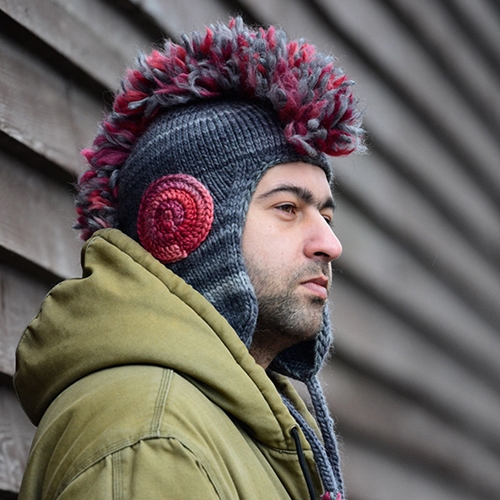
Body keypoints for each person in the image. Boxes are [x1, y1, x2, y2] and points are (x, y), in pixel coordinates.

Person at [14, 17, 364, 500]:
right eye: (288, 208)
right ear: (186, 225)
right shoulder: (152, 441)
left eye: (325, 215)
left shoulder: (239, 423)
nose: (330, 243)